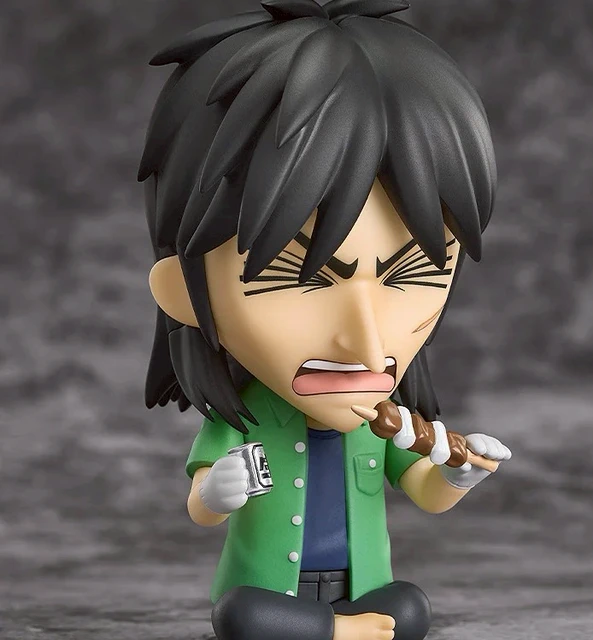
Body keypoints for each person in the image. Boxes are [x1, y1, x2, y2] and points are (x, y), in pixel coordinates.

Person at [138, 1, 511, 638]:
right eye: (302, 279)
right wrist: (217, 492)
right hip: (268, 592)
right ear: (181, 291)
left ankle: (332, 625)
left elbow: (426, 491)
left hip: (361, 587)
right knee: (243, 617)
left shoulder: (381, 422)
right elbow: (202, 508)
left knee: (410, 608)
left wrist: (459, 471)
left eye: (410, 274)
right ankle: (332, 632)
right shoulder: (247, 420)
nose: (366, 343)